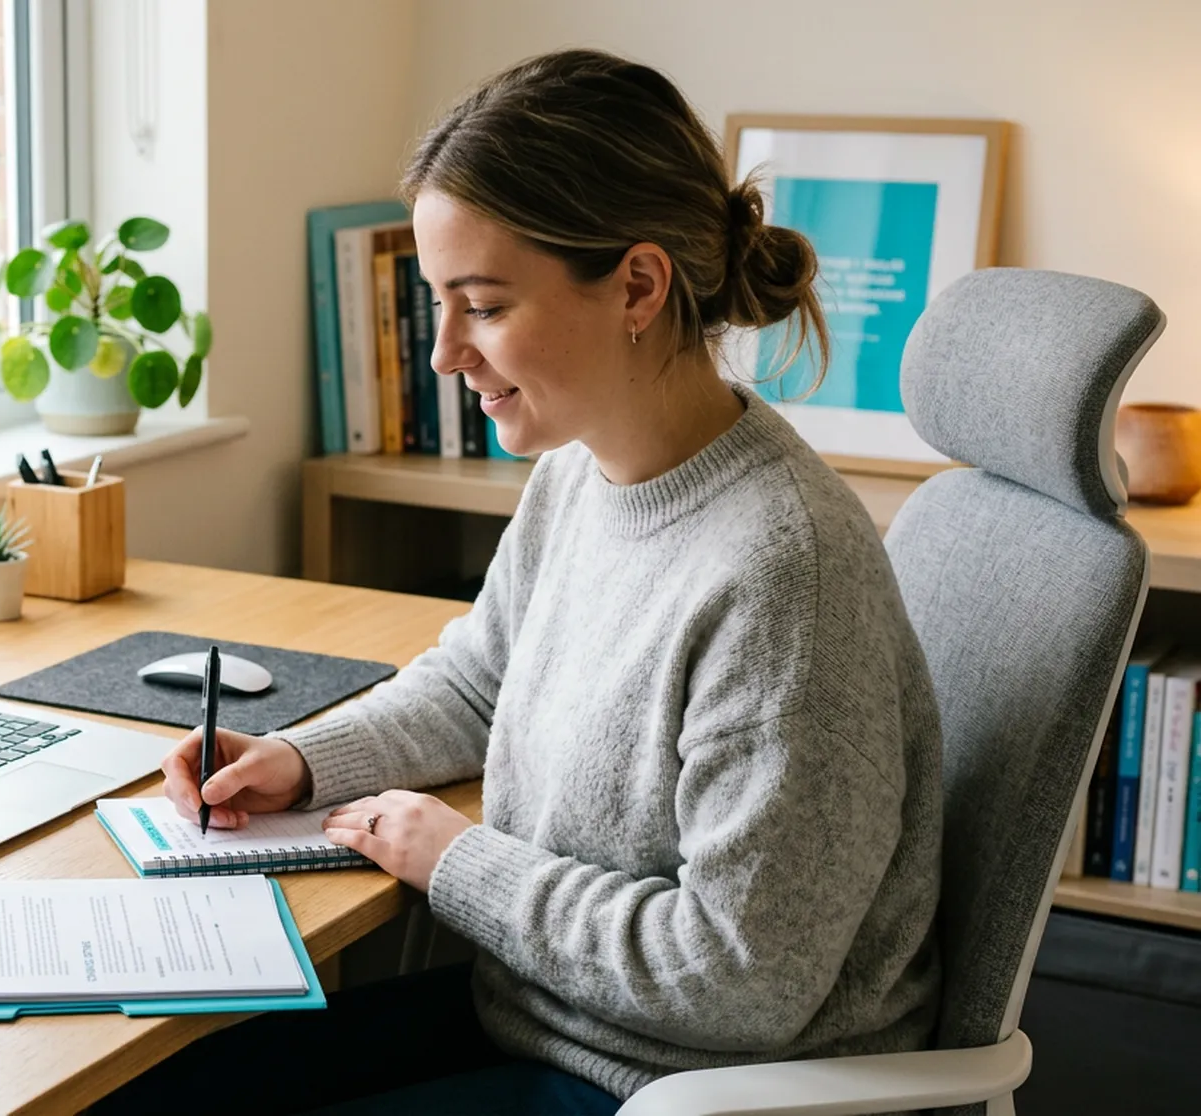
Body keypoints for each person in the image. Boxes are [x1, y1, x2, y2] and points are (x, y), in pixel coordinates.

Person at [95, 48, 943, 1116]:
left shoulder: (782, 577)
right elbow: (476, 683)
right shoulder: (578, 475)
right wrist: (301, 763)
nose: (445, 353)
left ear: (636, 285)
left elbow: (742, 978)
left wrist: (454, 862)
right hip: (545, 1018)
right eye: (435, 304)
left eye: (482, 306)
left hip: (690, 1086)